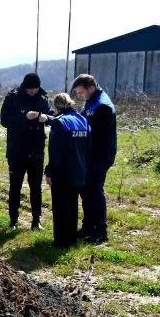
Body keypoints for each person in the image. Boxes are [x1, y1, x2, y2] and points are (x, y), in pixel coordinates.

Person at [0, 72, 53, 230]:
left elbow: (51, 115)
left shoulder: (42, 98)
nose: (33, 92)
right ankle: (13, 221)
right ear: (25, 87)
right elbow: (5, 120)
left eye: (35, 89)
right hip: (17, 149)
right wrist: (24, 117)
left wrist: (46, 118)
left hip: (36, 149)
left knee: (36, 187)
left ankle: (36, 221)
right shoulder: (13, 97)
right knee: (15, 186)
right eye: (30, 89)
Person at [71, 74, 117, 244]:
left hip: (100, 156)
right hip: (89, 156)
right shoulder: (91, 101)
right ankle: (88, 226)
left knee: (95, 191)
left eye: (81, 92)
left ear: (91, 88)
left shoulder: (103, 106)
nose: (80, 96)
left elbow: (99, 137)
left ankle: (101, 231)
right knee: (86, 191)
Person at [45, 93, 91, 247]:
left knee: (60, 207)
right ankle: (72, 239)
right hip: (80, 171)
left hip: (63, 173)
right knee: (72, 205)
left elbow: (55, 151)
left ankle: (60, 241)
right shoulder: (83, 120)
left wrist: (49, 171)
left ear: (56, 107)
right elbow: (88, 148)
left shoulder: (59, 122)